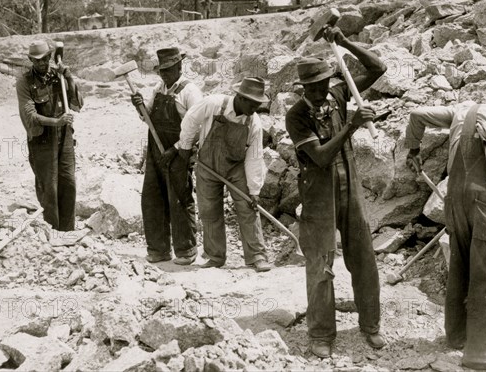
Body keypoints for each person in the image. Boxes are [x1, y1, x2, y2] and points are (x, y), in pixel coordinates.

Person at [405, 91, 486, 371]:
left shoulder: (465, 109)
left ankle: (457, 336)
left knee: (460, 263)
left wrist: (413, 150)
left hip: (454, 197)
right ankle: (484, 354)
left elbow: (416, 115)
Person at [285, 26, 387, 358]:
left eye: (322, 85)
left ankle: (370, 326)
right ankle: (321, 334)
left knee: (364, 258)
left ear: (330, 80)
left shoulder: (339, 94)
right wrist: (351, 126)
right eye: (311, 88)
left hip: (351, 189)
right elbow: (321, 157)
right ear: (303, 88)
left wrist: (343, 42)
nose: (318, 92)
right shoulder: (296, 116)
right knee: (320, 263)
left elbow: (377, 68)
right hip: (317, 194)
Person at [176, 77, 272, 273]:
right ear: (241, 98)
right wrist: (185, 147)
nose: (255, 108)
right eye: (253, 104)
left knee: (247, 208)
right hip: (207, 164)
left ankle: (257, 256)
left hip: (236, 168)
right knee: (209, 211)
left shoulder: (253, 122)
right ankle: (215, 256)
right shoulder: (214, 104)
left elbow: (254, 156)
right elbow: (190, 120)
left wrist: (254, 190)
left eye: (258, 104)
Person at [130, 47, 203, 265]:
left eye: (169, 70)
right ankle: (158, 249)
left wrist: (176, 149)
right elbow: (148, 119)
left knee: (179, 199)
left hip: (179, 153)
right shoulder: (158, 89)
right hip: (155, 153)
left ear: (180, 67)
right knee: (152, 199)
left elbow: (198, 127)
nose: (165, 75)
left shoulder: (190, 92)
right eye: (162, 71)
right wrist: (139, 107)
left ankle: (186, 250)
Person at [16, 40, 83, 231]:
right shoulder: (24, 82)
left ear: (50, 57)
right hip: (42, 140)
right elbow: (30, 116)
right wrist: (56, 121)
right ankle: (52, 231)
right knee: (49, 188)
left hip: (65, 137)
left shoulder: (58, 77)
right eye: (36, 61)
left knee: (68, 183)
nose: (41, 64)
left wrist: (69, 78)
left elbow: (78, 104)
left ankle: (68, 231)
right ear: (30, 60)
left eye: (45, 59)